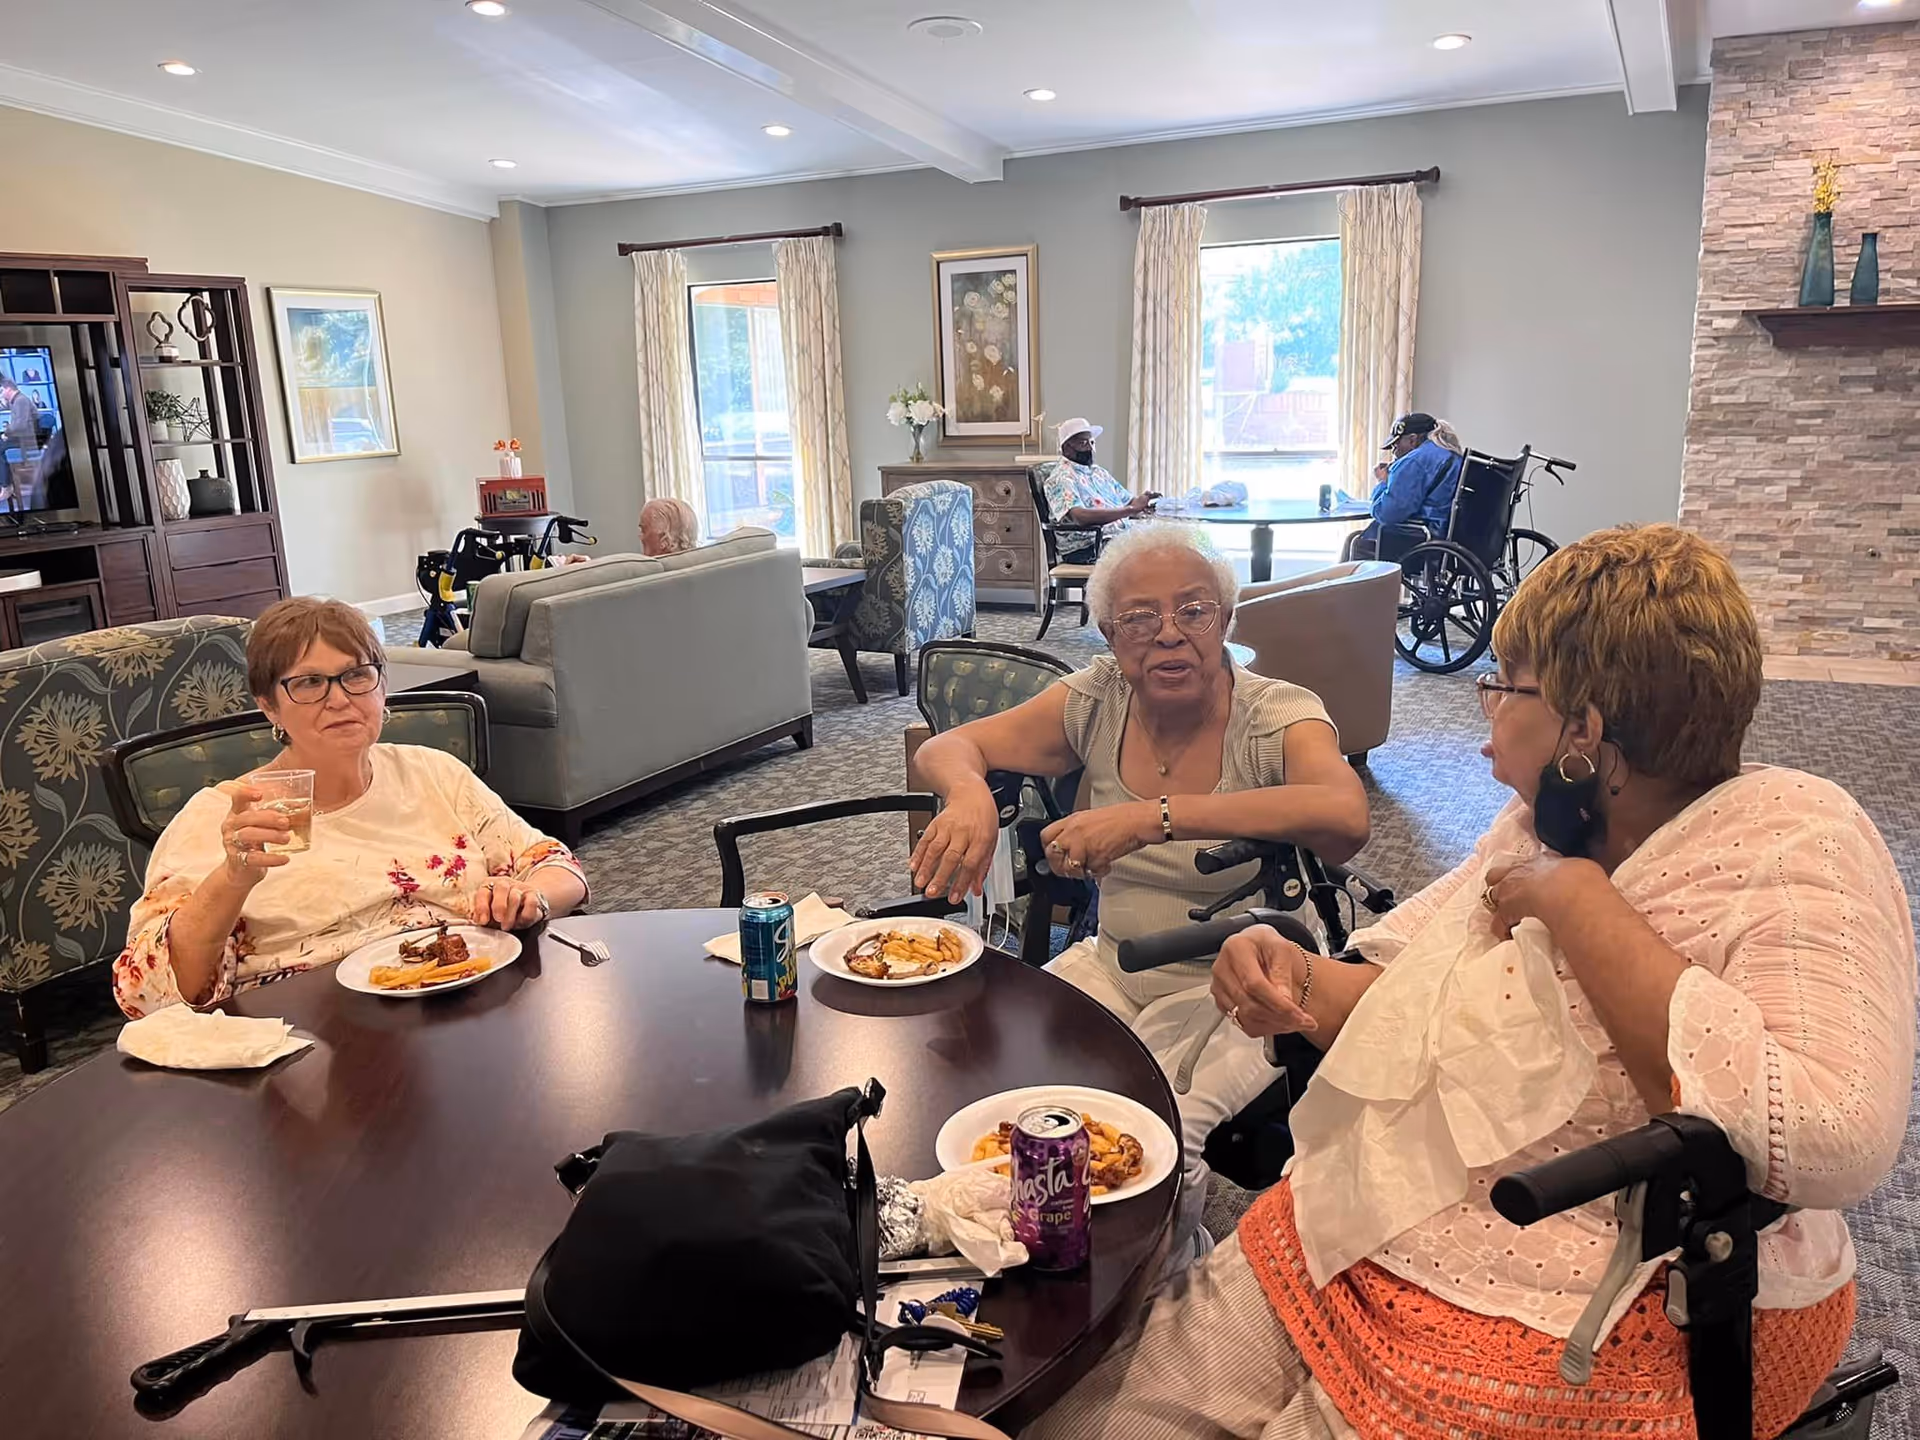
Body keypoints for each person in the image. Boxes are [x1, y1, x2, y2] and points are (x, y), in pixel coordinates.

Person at [1024, 524, 1915, 1440]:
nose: (1484, 706)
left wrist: (1580, 904)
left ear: (1585, 730)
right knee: (1099, 1417)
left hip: (1615, 1295)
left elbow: (1826, 1139)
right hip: (1397, 1217)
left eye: (1504, 685)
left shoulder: (1795, 844)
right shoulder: (1540, 821)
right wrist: (1293, 973)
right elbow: (1407, 984)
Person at [908, 524, 1368, 1252]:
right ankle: (1036, 1253)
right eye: (1140, 618)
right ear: (1108, 634)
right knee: (1013, 1090)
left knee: (1157, 1138)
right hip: (1117, 959)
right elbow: (948, 746)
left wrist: (1153, 819)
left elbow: (1346, 817)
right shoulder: (1097, 699)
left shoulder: (1277, 712)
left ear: (1225, 621)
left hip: (1248, 981)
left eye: (1193, 611)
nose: (1169, 635)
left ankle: (1167, 1281)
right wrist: (967, 795)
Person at [112, 598, 589, 1017]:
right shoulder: (225, 817)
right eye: (309, 683)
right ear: (269, 706)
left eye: (357, 675)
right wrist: (233, 878)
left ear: (382, 688)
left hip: (469, 1000)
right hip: (311, 1041)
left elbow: (558, 868)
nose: (339, 699)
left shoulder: (433, 774)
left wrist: (532, 898)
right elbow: (151, 994)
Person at [1342, 411, 1464, 562]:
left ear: (1413, 440)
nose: (1394, 451)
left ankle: (1340, 586)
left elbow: (1387, 514)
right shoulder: (1451, 455)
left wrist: (1384, 481)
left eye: (1396, 444)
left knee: (1355, 542)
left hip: (1422, 540)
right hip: (1449, 539)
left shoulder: (1414, 461)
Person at [1038, 418, 1159, 560]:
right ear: (1067, 449)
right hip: (1088, 547)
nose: (1090, 448)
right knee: (1154, 557)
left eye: (1092, 442)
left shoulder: (1098, 472)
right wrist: (1131, 510)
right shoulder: (1061, 478)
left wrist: (1144, 503)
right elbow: (1080, 517)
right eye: (1083, 443)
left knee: (1165, 543)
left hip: (1114, 539)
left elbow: (1128, 501)